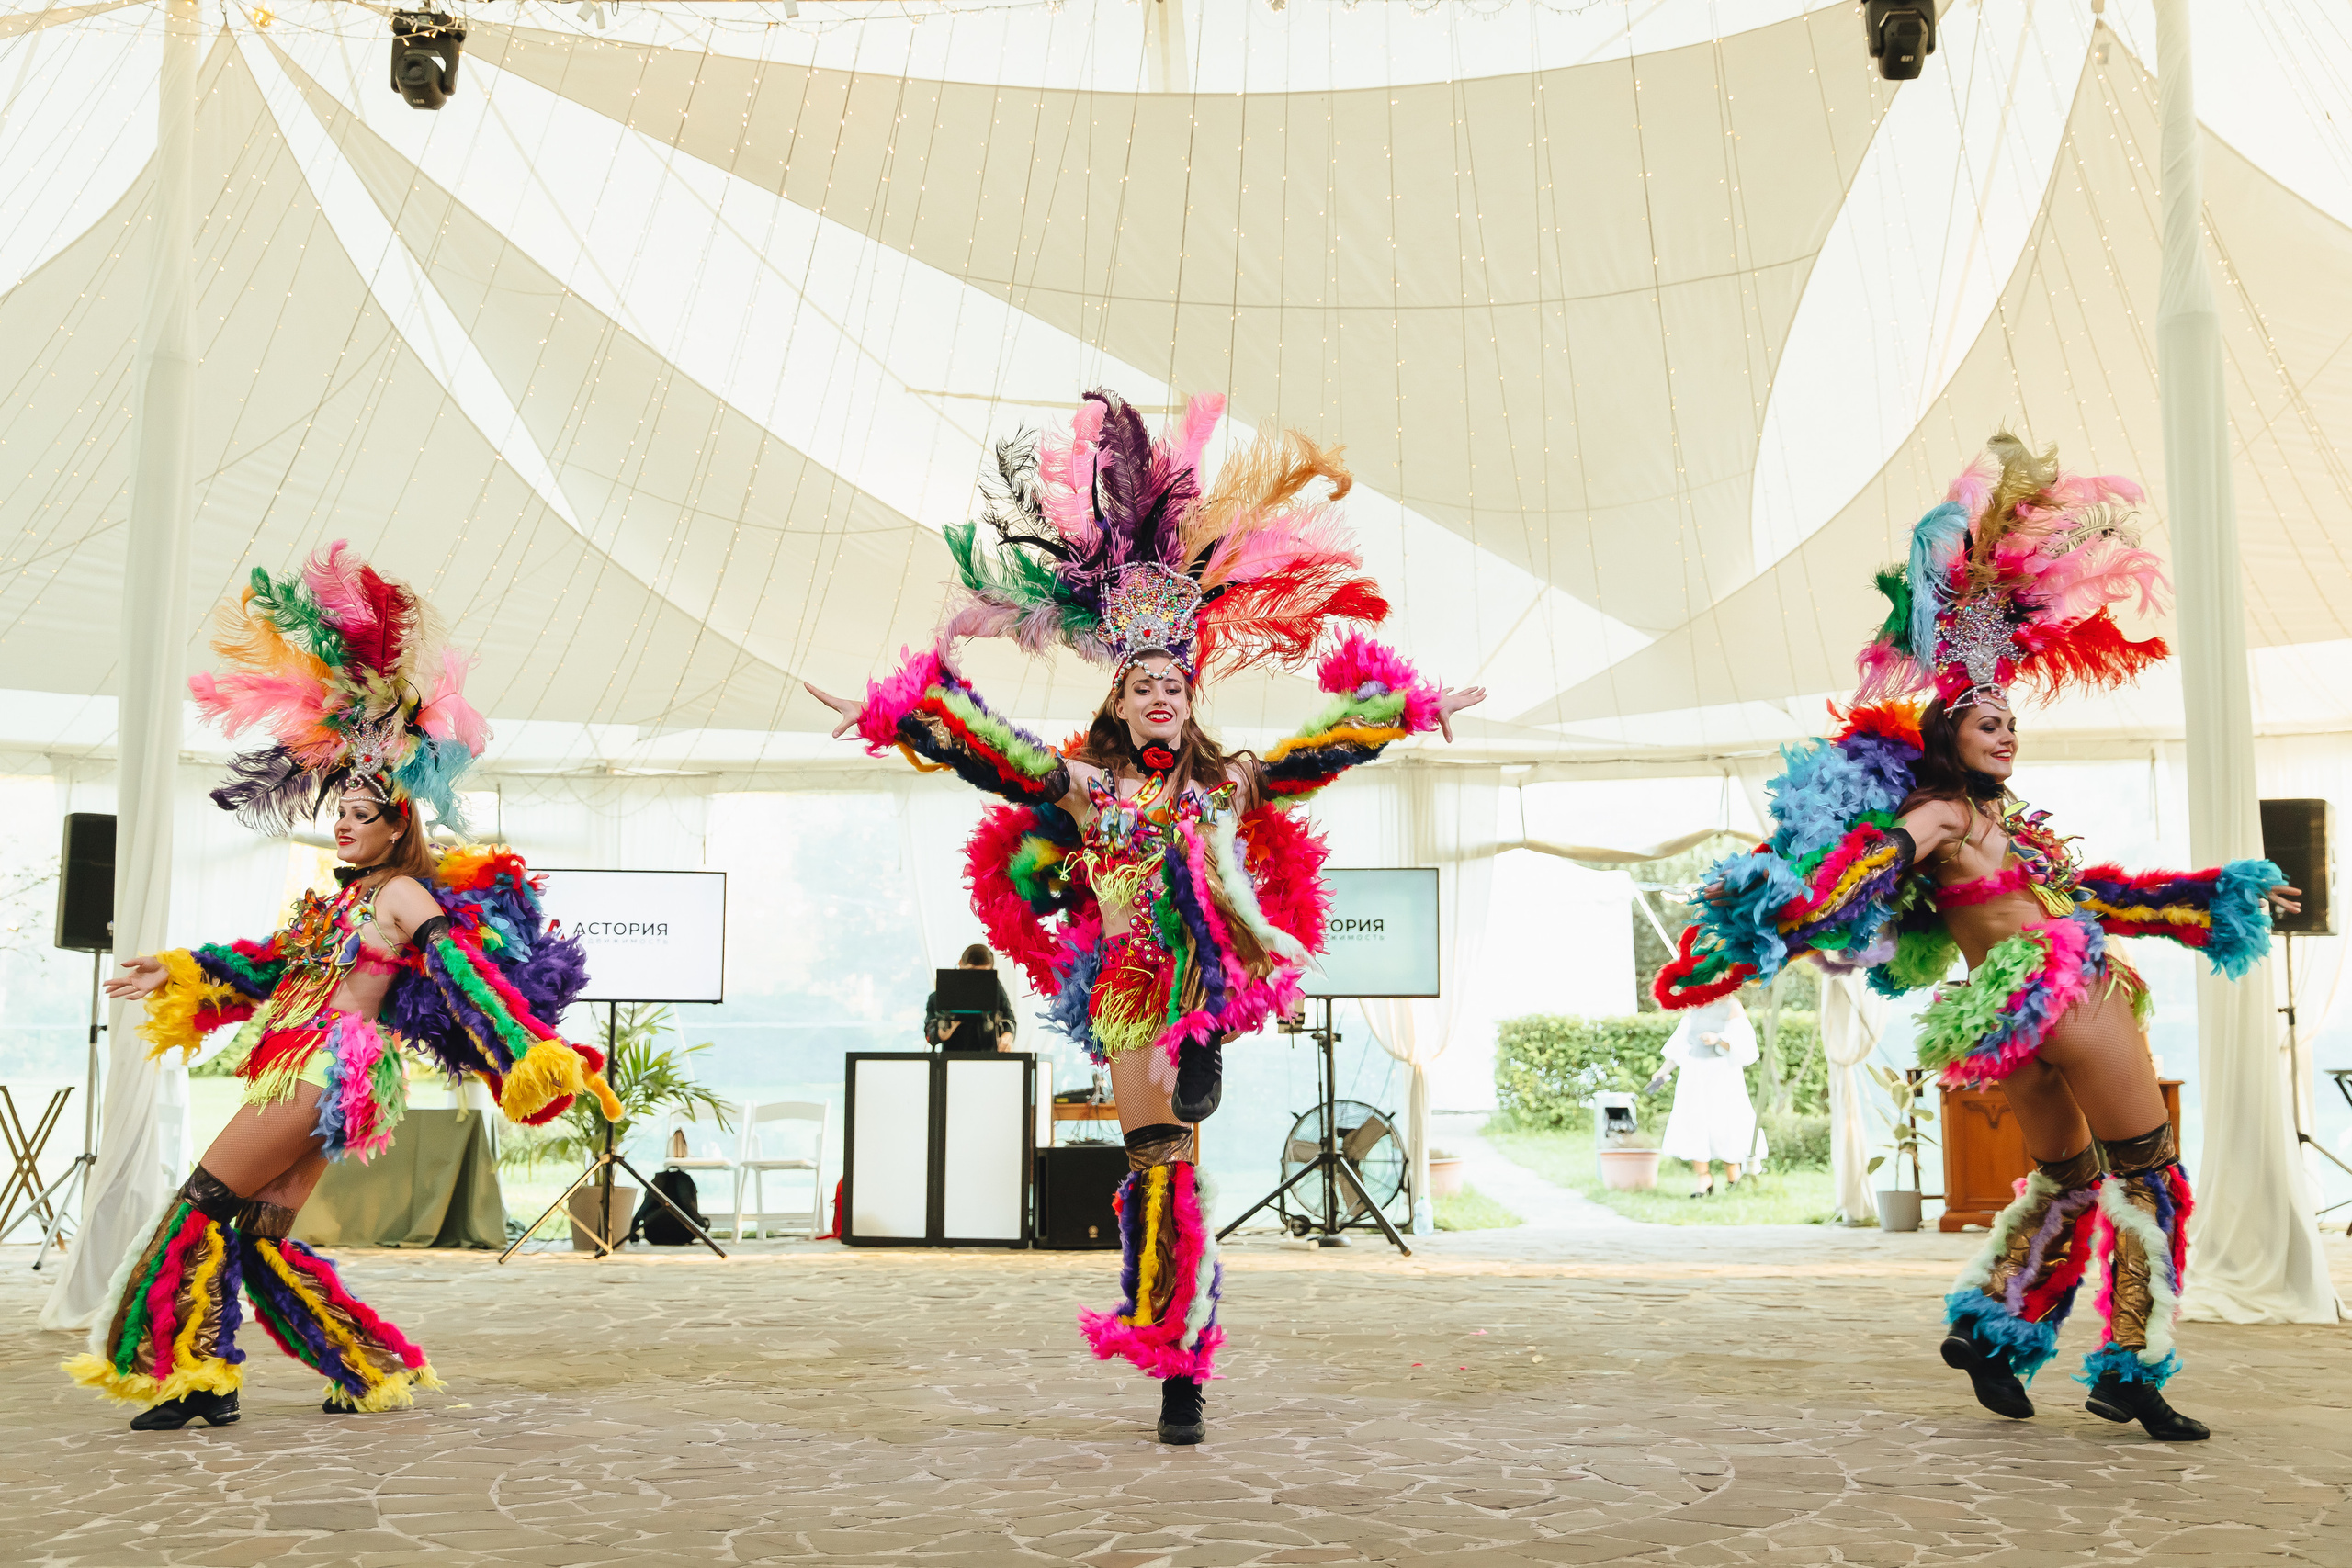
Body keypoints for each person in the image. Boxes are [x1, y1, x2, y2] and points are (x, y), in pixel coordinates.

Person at [806, 389, 1483, 1445]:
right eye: (1142, 682)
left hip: (1211, 964)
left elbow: (1321, 753)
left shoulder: (1227, 781)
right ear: (1119, 701)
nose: (1160, 692)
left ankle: (1206, 1031)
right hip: (1130, 985)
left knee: (1209, 913)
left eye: (1174, 678)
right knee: (1161, 1164)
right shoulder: (1084, 785)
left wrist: (1405, 709)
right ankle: (1179, 1366)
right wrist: (905, 717)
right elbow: (994, 754)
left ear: (1189, 692)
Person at [1657, 434, 2293, 1442]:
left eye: (2010, 719)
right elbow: (1878, 860)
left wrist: (2220, 894)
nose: (2005, 731)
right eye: (1985, 720)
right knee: (2149, 1177)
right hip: (2060, 995)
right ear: (1944, 732)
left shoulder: (2011, 828)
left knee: (2066, 1179)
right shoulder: (1945, 818)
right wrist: (1798, 911)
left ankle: (1996, 1335)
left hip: (2010, 1016)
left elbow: (2102, 895)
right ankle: (2129, 1365)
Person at [64, 543, 612, 1430]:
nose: (347, 825)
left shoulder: (401, 892)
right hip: (324, 1071)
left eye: (364, 813)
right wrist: (178, 967)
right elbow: (271, 966)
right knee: (258, 1229)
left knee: (199, 1204)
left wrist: (525, 1055)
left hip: (327, 1068)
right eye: (340, 813)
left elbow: (460, 971)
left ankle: (184, 1368)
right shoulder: (342, 898)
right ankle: (365, 1363)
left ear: (400, 819)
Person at [1645, 995, 1764, 1196]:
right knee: (1694, 1123)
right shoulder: (1694, 1006)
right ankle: (1704, 1178)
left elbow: (1745, 1046)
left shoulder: (1731, 1006)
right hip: (1694, 1074)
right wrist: (1663, 1071)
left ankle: (1733, 1176)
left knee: (1726, 1122)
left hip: (1722, 1073)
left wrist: (1719, 1039)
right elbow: (1680, 1044)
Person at [924, 942, 1018, 1050]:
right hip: (952, 1060)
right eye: (971, 972)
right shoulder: (939, 996)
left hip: (987, 1059)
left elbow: (1009, 1020)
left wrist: (1006, 1037)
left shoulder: (995, 988)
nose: (975, 979)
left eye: (983, 975)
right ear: (960, 964)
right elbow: (929, 1035)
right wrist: (941, 1032)